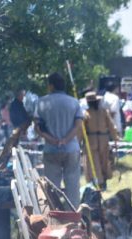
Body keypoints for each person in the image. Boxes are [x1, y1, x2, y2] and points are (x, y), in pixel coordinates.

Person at [34, 72, 84, 207]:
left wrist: (52, 140)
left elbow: (38, 127)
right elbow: (78, 125)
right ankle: (72, 214)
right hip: (71, 149)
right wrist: (66, 140)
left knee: (52, 186)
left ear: (51, 86)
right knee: (73, 185)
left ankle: (54, 212)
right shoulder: (74, 102)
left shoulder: (41, 102)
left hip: (51, 149)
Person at [81, 91, 120, 190]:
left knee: (95, 163)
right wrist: (115, 138)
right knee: (104, 161)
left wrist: (79, 141)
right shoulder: (104, 112)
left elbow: (82, 130)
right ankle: (102, 181)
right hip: (103, 140)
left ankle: (100, 182)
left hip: (91, 141)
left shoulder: (86, 114)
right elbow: (111, 126)